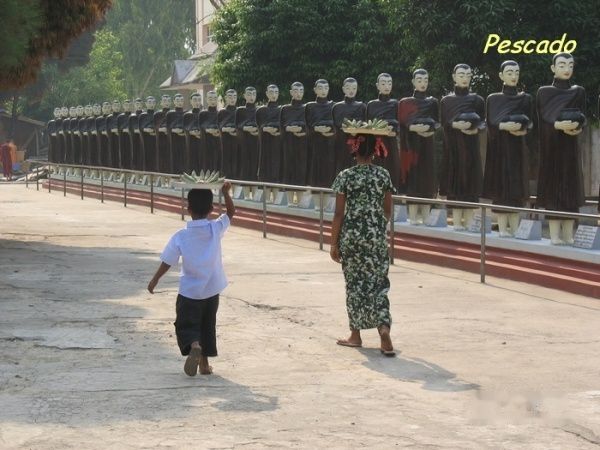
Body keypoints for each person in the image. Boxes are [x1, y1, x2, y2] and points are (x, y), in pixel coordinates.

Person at [147, 182, 235, 376]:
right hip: (212, 290)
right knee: (207, 325)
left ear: (188, 209)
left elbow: (168, 261)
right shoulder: (215, 228)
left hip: (190, 292)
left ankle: (194, 345)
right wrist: (226, 193)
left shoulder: (181, 236)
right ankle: (204, 365)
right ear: (211, 209)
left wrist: (155, 280)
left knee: (186, 324)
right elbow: (230, 213)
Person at [330, 136, 395, 356]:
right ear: (375, 151)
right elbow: (388, 210)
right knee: (379, 283)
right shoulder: (383, 175)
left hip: (351, 237)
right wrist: (375, 224)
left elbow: (339, 214)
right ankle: (383, 329)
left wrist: (333, 243)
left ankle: (355, 335)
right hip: (376, 237)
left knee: (354, 285)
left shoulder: (346, 176)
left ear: (355, 150)